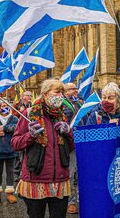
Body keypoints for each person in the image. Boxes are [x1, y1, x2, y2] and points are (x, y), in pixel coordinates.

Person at [12, 78, 74, 218]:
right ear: (45, 94)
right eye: (57, 92)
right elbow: (15, 143)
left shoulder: (62, 115)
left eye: (62, 93)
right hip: (36, 179)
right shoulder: (29, 114)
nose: (60, 96)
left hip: (60, 180)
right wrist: (31, 135)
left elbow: (70, 147)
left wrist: (68, 131)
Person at [62, 83, 84, 214]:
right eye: (71, 89)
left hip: (83, 143)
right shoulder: (62, 105)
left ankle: (83, 198)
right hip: (70, 144)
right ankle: (71, 201)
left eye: (76, 88)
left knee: (81, 173)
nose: (75, 91)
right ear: (65, 92)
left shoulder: (80, 104)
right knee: (70, 173)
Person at [13, 91, 32, 182]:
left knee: (26, 155)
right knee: (18, 155)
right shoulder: (16, 105)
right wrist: (19, 112)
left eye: (30, 96)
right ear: (22, 97)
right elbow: (12, 116)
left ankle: (23, 172)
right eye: (27, 95)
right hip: (19, 130)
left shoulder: (32, 105)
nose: (29, 97)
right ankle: (16, 173)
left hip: (29, 131)